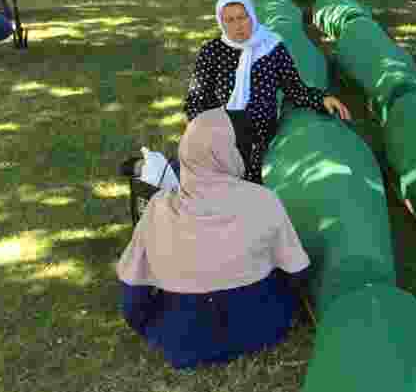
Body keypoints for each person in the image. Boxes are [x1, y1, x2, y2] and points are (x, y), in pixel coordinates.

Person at [116, 108, 310, 370]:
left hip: (183, 337)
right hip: (261, 328)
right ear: (228, 153)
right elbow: (297, 272)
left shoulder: (157, 209)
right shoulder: (263, 201)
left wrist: (146, 322)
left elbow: (133, 292)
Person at [184, 0, 351, 184]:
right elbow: (197, 99)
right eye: (229, 20)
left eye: (242, 17)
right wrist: (201, 131)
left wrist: (321, 99)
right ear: (221, 23)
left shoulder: (271, 46)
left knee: (252, 186)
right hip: (222, 131)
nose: (237, 25)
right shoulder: (212, 51)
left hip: (260, 133)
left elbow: (294, 88)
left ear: (252, 16)